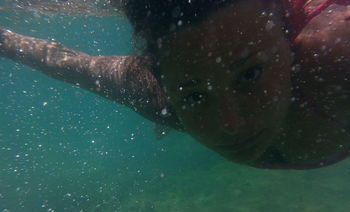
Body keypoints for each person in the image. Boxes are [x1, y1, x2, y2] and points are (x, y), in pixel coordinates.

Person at [0, 0, 349, 169]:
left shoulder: (337, 56)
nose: (231, 124)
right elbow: (66, 63)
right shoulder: (155, 95)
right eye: (195, 95)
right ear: (163, 82)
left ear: (289, 43)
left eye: (249, 74)